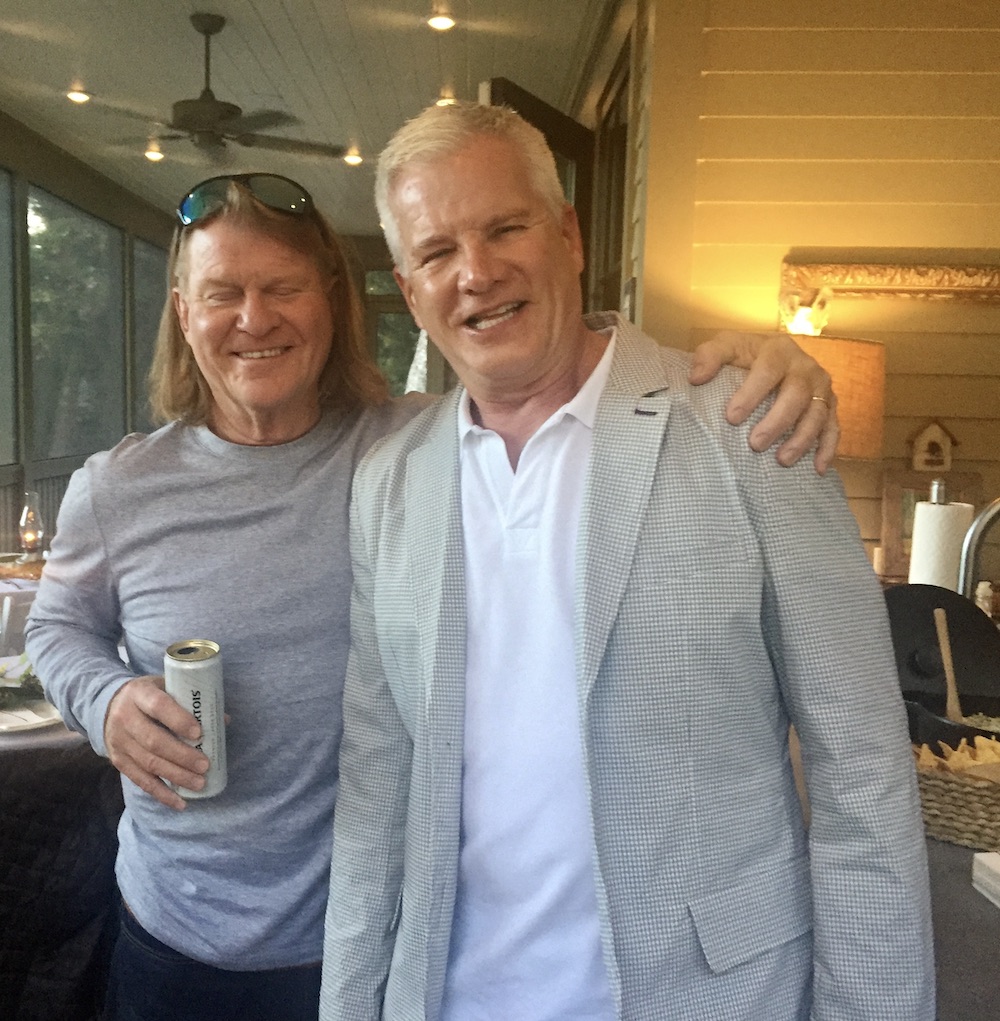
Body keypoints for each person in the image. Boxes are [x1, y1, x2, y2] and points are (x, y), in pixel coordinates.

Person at [25, 171, 832, 1021]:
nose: (254, 320)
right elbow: (57, 626)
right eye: (223, 293)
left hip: (387, 944)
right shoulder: (118, 487)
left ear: (332, 303)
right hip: (177, 936)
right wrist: (105, 700)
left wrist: (762, 364)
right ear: (184, 313)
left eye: (283, 288)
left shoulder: (422, 447)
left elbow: (559, 374)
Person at [319, 103, 935, 1021]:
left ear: (569, 235)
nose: (477, 272)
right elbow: (378, 787)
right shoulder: (389, 483)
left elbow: (863, 770)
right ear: (411, 293)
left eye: (505, 228)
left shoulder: (748, 425)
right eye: (438, 252)